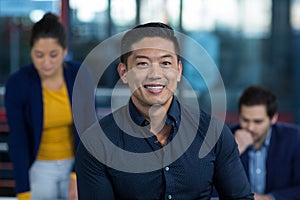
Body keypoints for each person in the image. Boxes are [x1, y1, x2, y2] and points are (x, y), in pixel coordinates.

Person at [75, 22, 253, 199]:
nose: (155, 74)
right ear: (124, 72)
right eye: (143, 64)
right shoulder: (96, 143)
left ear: (178, 71)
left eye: (165, 63)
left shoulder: (213, 133)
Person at [4, 12, 80, 200]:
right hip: (39, 168)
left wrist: (77, 174)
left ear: (64, 51)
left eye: (53, 55)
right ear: (31, 52)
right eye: (39, 55)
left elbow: (88, 130)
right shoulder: (18, 83)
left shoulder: (80, 75)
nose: (46, 63)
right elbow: (18, 139)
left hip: (76, 164)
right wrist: (23, 191)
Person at [232, 85, 300, 200]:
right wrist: (232, 152)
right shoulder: (227, 138)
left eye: (258, 121)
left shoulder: (294, 139)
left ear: (273, 118)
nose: (250, 127)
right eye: (245, 120)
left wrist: (269, 198)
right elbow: (208, 188)